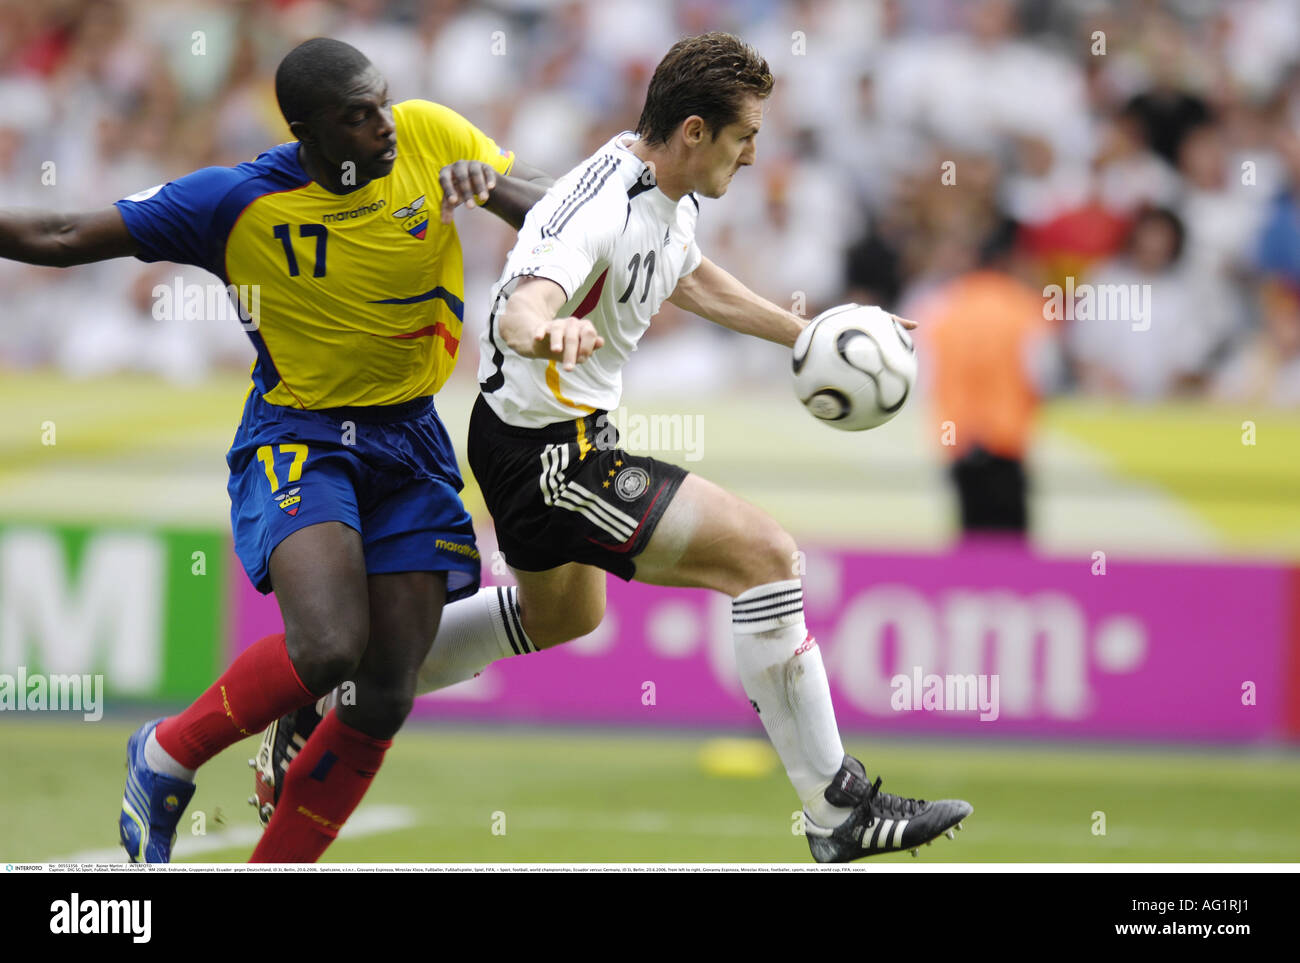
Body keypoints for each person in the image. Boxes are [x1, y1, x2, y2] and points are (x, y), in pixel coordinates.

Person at [264, 32, 972, 862]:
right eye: (745, 137)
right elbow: (521, 304)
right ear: (697, 131)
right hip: (550, 456)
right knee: (766, 557)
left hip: (543, 440)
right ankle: (837, 806)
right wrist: (547, 332)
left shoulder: (661, 191)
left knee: (564, 613)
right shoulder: (595, 205)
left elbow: (687, 272)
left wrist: (807, 332)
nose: (753, 155)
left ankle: (342, 689)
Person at [0, 36, 550, 863]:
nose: (383, 126)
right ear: (308, 130)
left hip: (411, 437)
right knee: (329, 646)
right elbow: (64, 229)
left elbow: (559, 209)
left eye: (383, 102)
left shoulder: (431, 134)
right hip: (303, 435)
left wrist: (496, 187)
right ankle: (166, 752)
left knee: (381, 692)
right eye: (357, 117)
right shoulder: (231, 202)